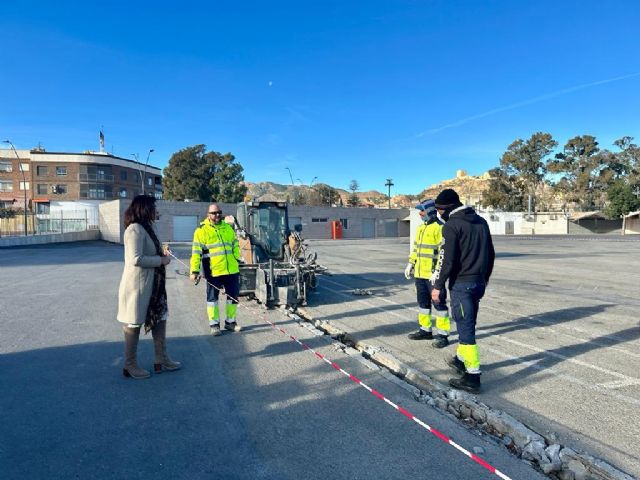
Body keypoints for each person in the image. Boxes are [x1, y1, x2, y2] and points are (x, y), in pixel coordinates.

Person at [431, 188, 494, 394]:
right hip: (478, 283)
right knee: (468, 321)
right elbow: (491, 255)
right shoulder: (481, 221)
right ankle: (460, 359)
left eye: (440, 209)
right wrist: (484, 280)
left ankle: (472, 376)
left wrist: (438, 286)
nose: (438, 213)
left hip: (462, 285)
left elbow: (447, 261)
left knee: (466, 330)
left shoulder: (451, 226)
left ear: (449, 207)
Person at [117, 195, 181, 379]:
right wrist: (161, 260)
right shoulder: (134, 229)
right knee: (134, 323)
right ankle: (130, 365)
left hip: (154, 286)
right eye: (154, 207)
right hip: (138, 288)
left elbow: (148, 251)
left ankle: (161, 359)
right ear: (144, 209)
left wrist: (161, 253)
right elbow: (135, 259)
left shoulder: (147, 228)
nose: (157, 211)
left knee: (160, 318)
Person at [190, 203, 242, 336]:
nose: (217, 215)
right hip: (213, 271)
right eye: (213, 213)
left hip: (231, 270)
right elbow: (196, 253)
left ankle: (231, 322)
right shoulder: (201, 231)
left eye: (219, 212)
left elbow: (235, 243)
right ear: (208, 215)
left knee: (233, 297)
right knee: (212, 299)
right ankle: (214, 325)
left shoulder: (228, 228)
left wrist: (237, 257)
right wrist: (194, 271)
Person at [404, 199, 450, 348]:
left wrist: (437, 272)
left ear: (430, 211)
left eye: (422, 210)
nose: (420, 213)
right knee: (423, 304)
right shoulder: (420, 228)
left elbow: (444, 253)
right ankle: (425, 330)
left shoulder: (441, 228)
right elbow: (416, 249)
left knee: (439, 304)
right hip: (419, 274)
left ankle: (443, 335)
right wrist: (410, 264)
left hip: (433, 275)